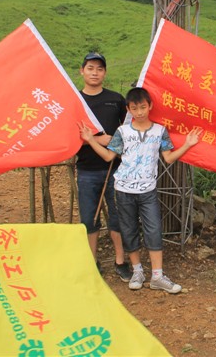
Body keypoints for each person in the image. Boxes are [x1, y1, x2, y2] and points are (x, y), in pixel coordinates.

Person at [79, 87, 202, 294]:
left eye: (143, 107)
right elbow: (109, 157)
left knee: (153, 229)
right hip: (123, 190)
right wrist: (91, 140)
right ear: (128, 109)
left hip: (148, 191)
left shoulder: (159, 131)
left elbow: (169, 157)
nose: (139, 112)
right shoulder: (122, 132)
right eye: (134, 108)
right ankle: (137, 271)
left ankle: (157, 276)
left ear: (150, 106)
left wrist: (188, 145)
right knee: (129, 230)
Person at [76, 52, 132, 282]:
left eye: (99, 69)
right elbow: (71, 133)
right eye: (90, 68)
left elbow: (128, 129)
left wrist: (114, 142)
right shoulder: (76, 101)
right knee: (89, 218)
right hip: (87, 170)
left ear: (105, 73)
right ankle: (92, 261)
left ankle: (120, 260)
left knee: (117, 216)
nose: (94, 72)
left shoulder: (116, 99)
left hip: (115, 170)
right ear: (82, 71)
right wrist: (98, 139)